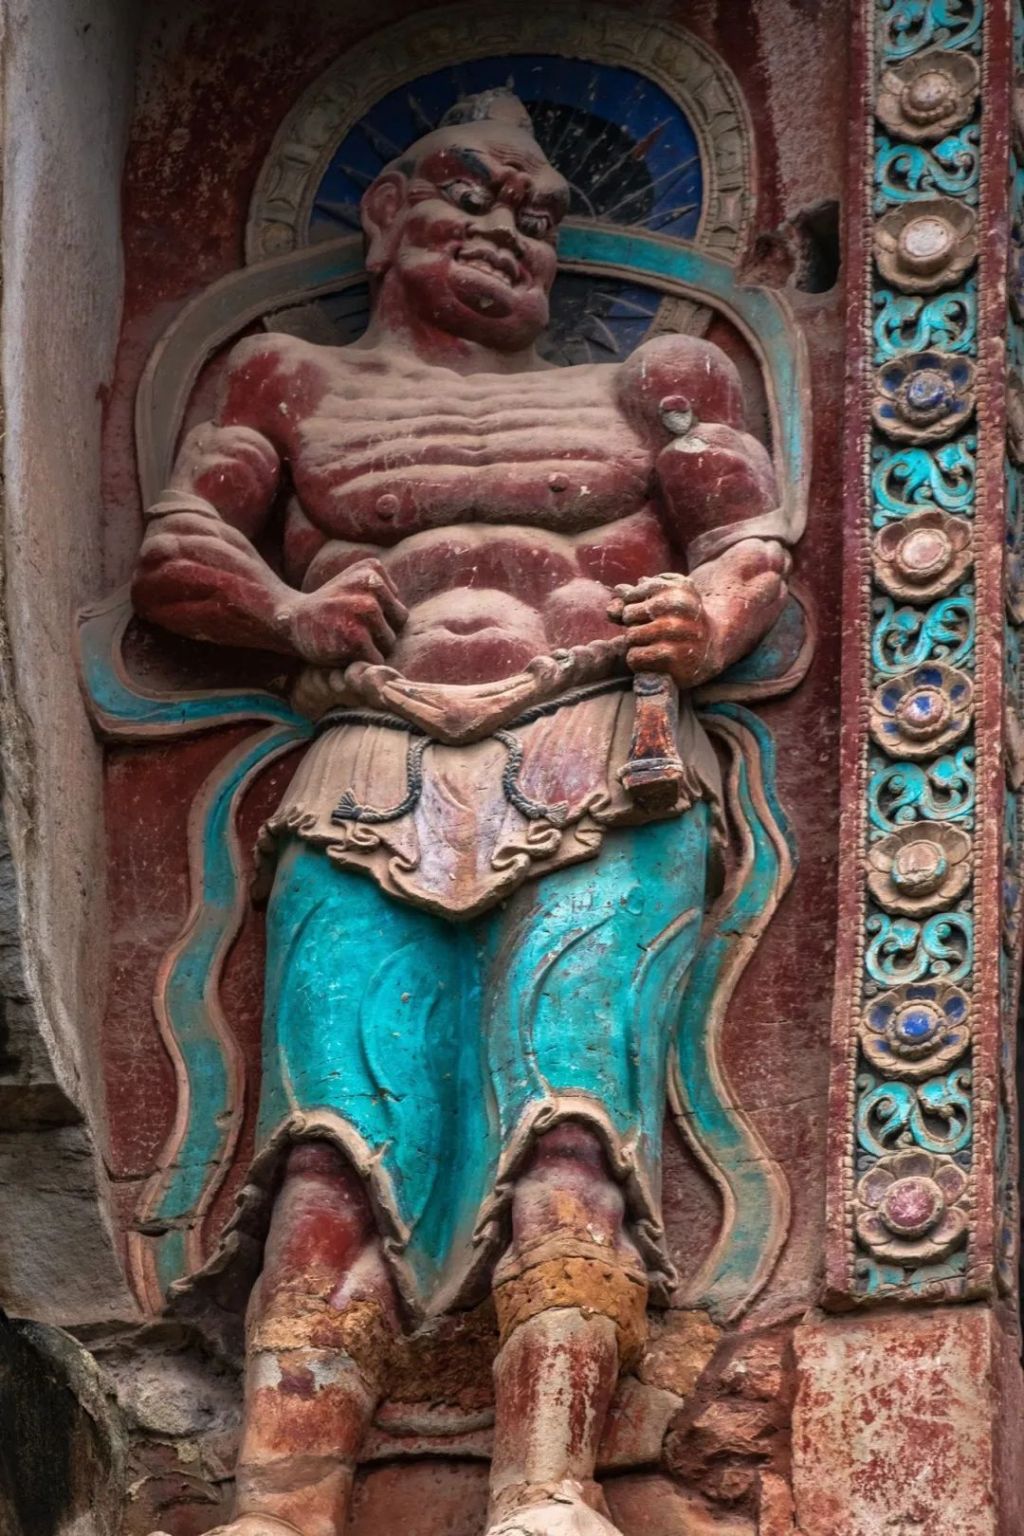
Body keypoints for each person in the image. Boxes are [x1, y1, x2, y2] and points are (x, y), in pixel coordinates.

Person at [135, 88, 791, 1536]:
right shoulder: (287, 383)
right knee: (328, 1146)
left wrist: (706, 616)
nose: (509, 229)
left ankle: (548, 1486)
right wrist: (288, 610)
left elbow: (754, 542)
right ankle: (283, 1500)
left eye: (539, 214)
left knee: (572, 1117)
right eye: (469, 193)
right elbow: (180, 550)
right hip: (373, 761)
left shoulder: (655, 381)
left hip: (596, 755)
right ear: (383, 213)